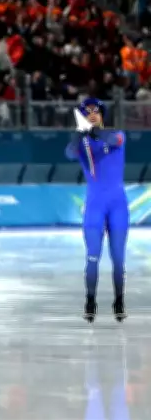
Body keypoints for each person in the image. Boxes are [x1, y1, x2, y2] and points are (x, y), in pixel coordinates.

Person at [66, 98, 128, 322]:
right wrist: (79, 133)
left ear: (102, 115)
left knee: (118, 259)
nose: (92, 115)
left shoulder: (118, 135)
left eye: (96, 111)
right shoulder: (81, 143)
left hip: (118, 206)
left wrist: (93, 131)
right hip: (95, 206)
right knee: (92, 257)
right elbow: (69, 153)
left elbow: (113, 140)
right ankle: (90, 300)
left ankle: (119, 300)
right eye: (87, 112)